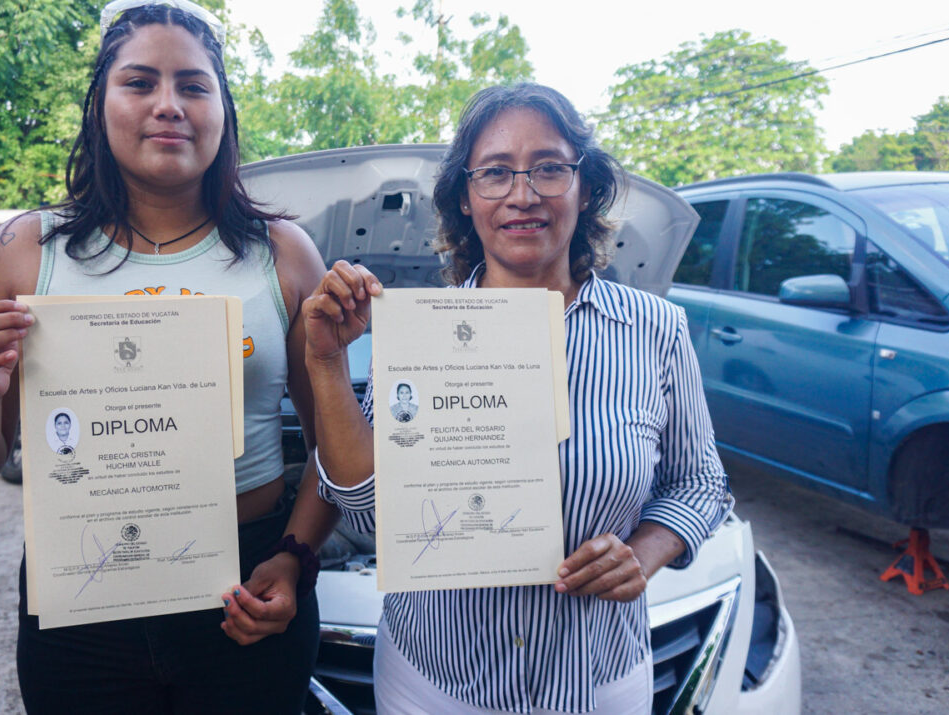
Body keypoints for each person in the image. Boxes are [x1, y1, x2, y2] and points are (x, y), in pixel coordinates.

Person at [0, 2, 336, 712]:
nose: (168, 105)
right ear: (100, 104)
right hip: (82, 602)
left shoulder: (283, 253)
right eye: (140, 82)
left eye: (195, 86)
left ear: (224, 111)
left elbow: (337, 443)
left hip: (248, 586)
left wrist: (295, 558)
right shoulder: (25, 252)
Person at [303, 82, 733, 714]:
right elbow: (366, 512)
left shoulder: (653, 328)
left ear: (586, 189)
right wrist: (326, 362)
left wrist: (643, 555)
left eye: (550, 168)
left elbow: (700, 482)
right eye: (496, 173)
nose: (523, 194)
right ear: (466, 199)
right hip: (436, 684)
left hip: (600, 682)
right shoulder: (424, 334)